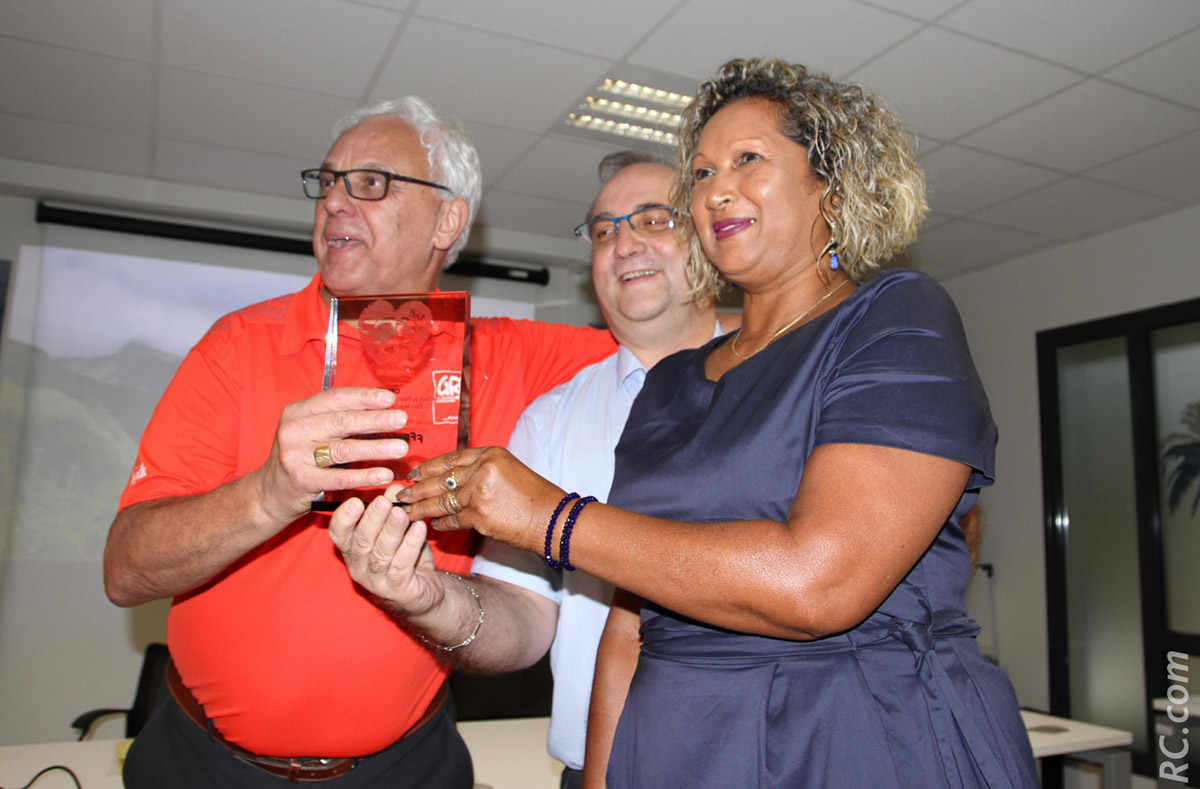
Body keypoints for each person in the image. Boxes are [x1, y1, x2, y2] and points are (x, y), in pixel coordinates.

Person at [370, 58, 1040, 788]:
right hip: (677, 750)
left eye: (748, 160)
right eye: (700, 173)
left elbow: (820, 582)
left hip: (857, 736)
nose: (716, 188)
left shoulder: (895, 321)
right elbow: (629, 625)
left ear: (831, 183)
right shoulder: (671, 387)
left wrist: (547, 516)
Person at [104, 96, 616, 788]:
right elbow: (126, 571)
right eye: (329, 181)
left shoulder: (512, 357)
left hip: (408, 765)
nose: (336, 202)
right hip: (205, 765)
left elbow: (680, 344)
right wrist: (269, 491)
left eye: (371, 183)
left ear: (448, 218)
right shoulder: (237, 346)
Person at [328, 150, 735, 788]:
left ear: (712, 240)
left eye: (654, 220)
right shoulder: (549, 420)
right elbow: (522, 622)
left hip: (774, 759)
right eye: (604, 230)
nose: (624, 243)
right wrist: (425, 598)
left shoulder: (786, 380)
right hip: (596, 769)